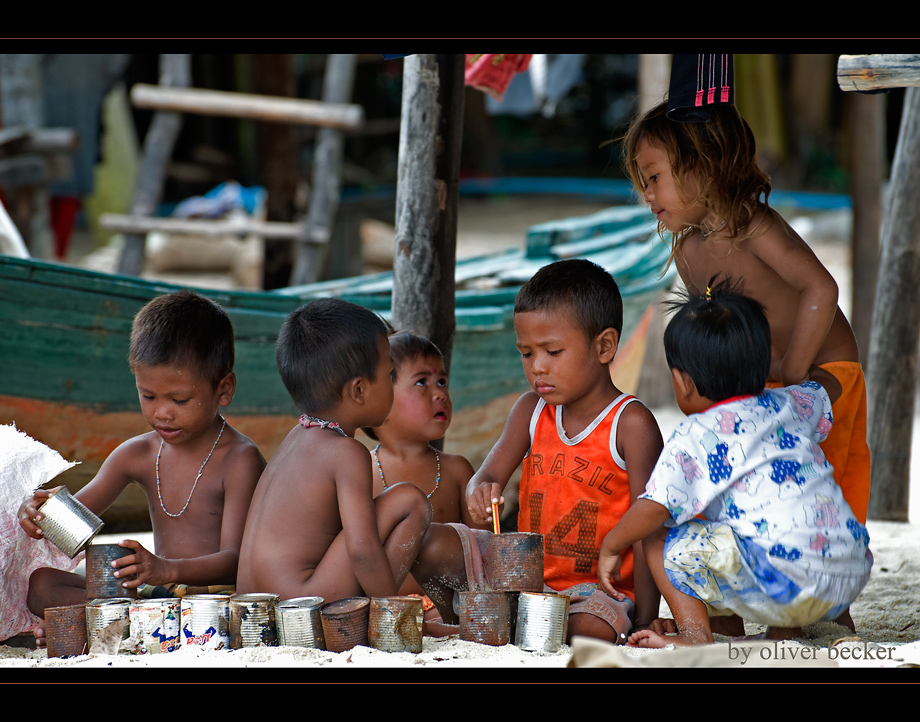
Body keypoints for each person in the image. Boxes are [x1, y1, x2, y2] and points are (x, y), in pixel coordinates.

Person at [622, 100, 871, 529]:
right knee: (767, 498)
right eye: (644, 183)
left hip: (823, 375)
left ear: (703, 164)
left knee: (825, 498)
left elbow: (821, 288)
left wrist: (796, 369)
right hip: (760, 386)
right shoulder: (688, 252)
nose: (647, 195)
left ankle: (834, 592)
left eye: (654, 178)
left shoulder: (754, 227)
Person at [597, 277, 873, 648]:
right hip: (847, 575)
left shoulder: (695, 434)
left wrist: (612, 544)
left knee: (659, 532)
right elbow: (830, 385)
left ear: (683, 382)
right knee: (748, 521)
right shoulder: (791, 403)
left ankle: (696, 635)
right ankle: (783, 632)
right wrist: (788, 371)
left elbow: (654, 507)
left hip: (782, 584)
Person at [415, 259, 665, 644]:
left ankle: (493, 624)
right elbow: (487, 476)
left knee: (589, 630)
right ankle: (474, 617)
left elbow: (650, 528)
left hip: (592, 593)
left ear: (604, 346)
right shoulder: (530, 410)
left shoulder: (630, 425)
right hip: (518, 577)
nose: (537, 368)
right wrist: (480, 491)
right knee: (428, 542)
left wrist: (646, 618)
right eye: (526, 353)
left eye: (552, 351)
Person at [18, 290, 266, 645]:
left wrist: (167, 568)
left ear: (224, 389)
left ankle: (97, 628)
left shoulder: (239, 458)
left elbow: (237, 560)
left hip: (211, 602)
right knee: (43, 584)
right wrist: (42, 512)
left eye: (179, 399)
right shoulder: (135, 454)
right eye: (148, 396)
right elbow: (74, 523)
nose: (161, 412)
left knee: (187, 608)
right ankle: (118, 628)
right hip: (152, 597)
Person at [236, 298, 431, 603]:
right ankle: (380, 617)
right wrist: (393, 613)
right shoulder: (346, 452)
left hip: (252, 605)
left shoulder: (297, 437)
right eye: (389, 375)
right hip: (301, 602)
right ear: (359, 390)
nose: (392, 386)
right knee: (409, 501)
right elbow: (363, 550)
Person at [364, 331, 486, 633]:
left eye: (442, 382)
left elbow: (481, 557)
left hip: (444, 609)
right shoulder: (359, 469)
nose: (440, 393)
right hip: (376, 604)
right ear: (383, 398)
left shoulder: (457, 469)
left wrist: (486, 515)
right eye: (422, 382)